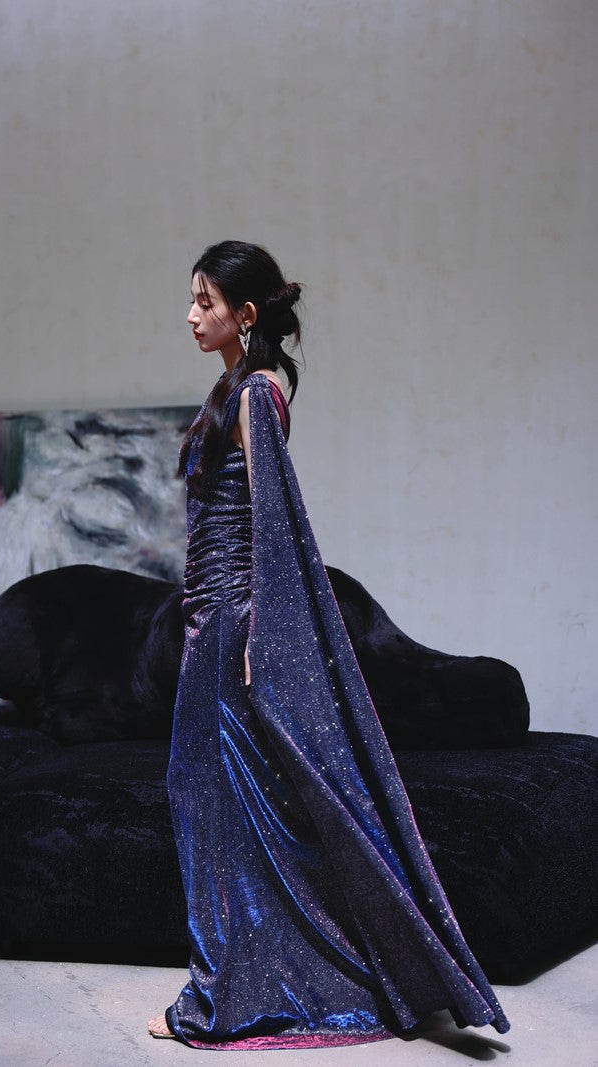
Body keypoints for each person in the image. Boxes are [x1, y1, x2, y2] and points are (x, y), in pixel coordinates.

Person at [147, 240, 510, 1048]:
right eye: (192, 299)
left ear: (245, 314)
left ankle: (224, 995)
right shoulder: (234, 388)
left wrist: (261, 636)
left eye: (205, 301)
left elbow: (276, 527)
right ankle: (236, 981)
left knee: (217, 803)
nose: (190, 315)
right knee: (211, 799)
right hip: (208, 618)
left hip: (231, 621)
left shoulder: (256, 395)